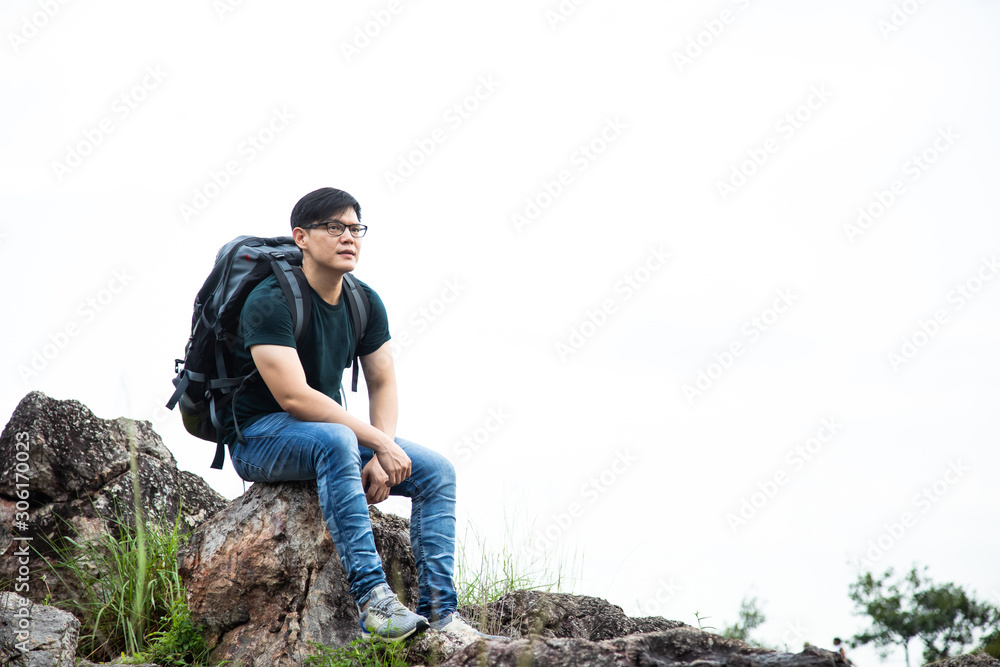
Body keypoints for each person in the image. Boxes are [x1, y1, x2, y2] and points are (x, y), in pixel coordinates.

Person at [219, 187, 482, 642]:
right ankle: (374, 601)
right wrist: (378, 443)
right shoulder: (270, 300)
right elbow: (295, 398)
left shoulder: (363, 300)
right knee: (338, 440)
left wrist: (385, 449)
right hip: (259, 438)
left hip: (323, 432)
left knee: (437, 472)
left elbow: (382, 381)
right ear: (301, 237)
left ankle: (441, 615)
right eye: (334, 227)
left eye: (355, 228)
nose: (349, 238)